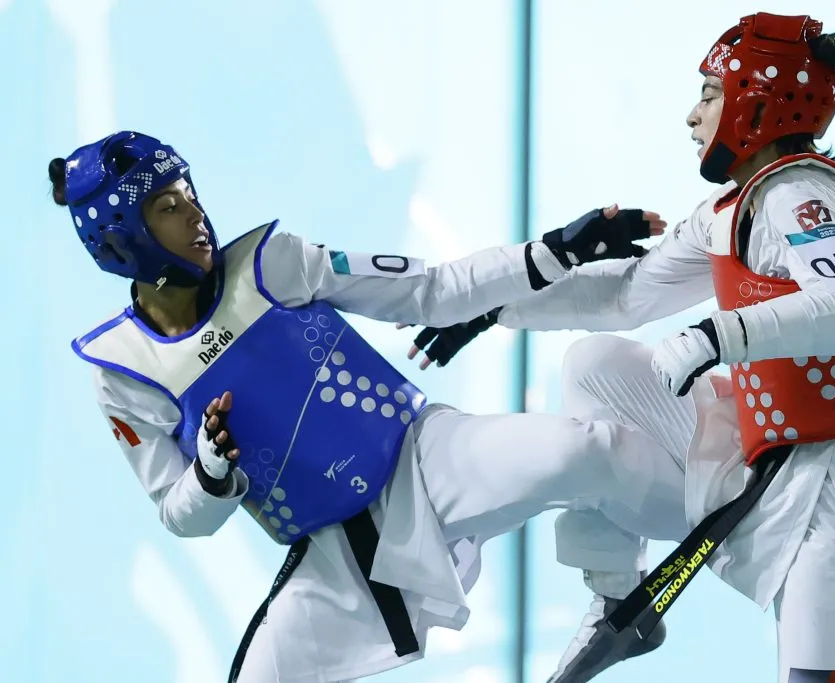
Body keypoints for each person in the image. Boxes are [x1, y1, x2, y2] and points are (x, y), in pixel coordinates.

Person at [50, 130, 711, 683]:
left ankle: (625, 595)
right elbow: (179, 512)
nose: (195, 213)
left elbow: (432, 289)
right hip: (334, 557)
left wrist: (555, 252)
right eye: (168, 205)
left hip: (424, 461)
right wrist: (211, 475)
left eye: (189, 193)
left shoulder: (272, 263)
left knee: (584, 451)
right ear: (122, 235)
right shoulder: (122, 371)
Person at [405, 12, 835, 683]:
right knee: (595, 368)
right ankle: (619, 598)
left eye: (710, 94)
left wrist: (716, 335)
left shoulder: (802, 195)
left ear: (757, 101)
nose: (692, 116)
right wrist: (492, 306)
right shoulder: (734, 209)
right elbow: (628, 294)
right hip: (760, 453)